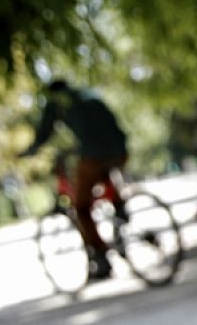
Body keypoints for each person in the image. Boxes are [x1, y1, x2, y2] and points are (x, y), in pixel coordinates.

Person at [19, 79, 129, 280]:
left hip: (94, 155)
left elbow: (45, 132)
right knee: (104, 178)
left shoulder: (59, 102)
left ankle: (101, 255)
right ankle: (120, 209)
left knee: (81, 207)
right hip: (120, 150)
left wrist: (30, 150)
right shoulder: (88, 93)